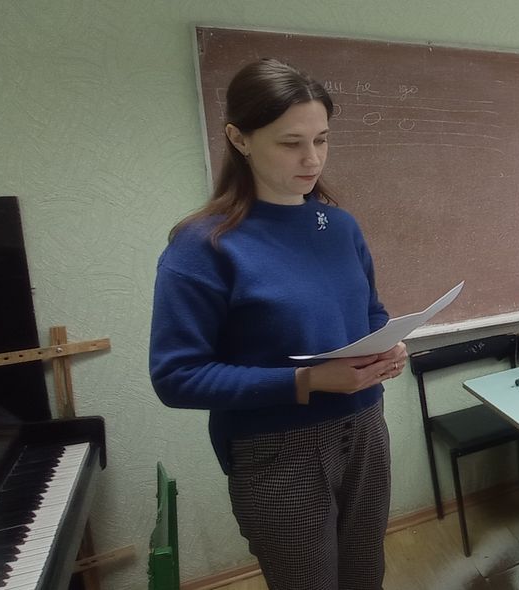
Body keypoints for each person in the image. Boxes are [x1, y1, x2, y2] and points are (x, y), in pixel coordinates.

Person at [149, 59, 402, 590]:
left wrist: (390, 347)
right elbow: (176, 377)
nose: (312, 159)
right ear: (239, 139)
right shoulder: (203, 246)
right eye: (291, 143)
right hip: (277, 449)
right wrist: (305, 381)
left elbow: (371, 313)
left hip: (365, 428)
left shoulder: (340, 226)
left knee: (365, 573)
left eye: (322, 140)